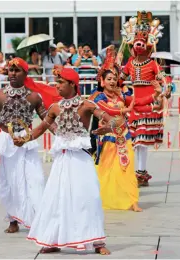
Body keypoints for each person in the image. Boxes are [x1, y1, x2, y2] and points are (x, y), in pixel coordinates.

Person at [14, 67, 117, 255]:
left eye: (61, 82)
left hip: (81, 160)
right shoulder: (55, 107)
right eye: (56, 82)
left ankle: (97, 242)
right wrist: (24, 138)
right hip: (61, 161)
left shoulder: (86, 105)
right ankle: (53, 240)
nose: (57, 86)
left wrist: (108, 127)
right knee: (56, 198)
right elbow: (41, 128)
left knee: (88, 198)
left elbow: (110, 119)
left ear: (72, 84)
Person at [0, 57, 58, 233]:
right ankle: (13, 219)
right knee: (10, 183)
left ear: (25, 73)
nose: (13, 74)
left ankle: (38, 218)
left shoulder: (34, 97)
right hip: (6, 143)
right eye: (10, 70)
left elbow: (47, 120)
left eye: (17, 71)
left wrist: (63, 136)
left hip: (27, 142)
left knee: (36, 179)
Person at [91, 49, 163, 211]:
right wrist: (123, 111)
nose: (112, 81)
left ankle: (132, 201)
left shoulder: (121, 96)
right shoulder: (98, 97)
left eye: (115, 79)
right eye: (109, 79)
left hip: (124, 137)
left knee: (127, 170)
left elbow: (138, 102)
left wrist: (155, 95)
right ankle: (100, 199)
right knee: (106, 171)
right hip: (108, 139)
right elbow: (105, 110)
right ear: (102, 81)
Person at [119, 11, 172, 186]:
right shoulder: (130, 63)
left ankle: (140, 172)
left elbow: (165, 80)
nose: (138, 45)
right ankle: (136, 171)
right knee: (135, 141)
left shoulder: (153, 63)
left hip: (149, 103)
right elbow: (119, 80)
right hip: (134, 104)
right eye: (136, 42)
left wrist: (166, 89)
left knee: (141, 140)